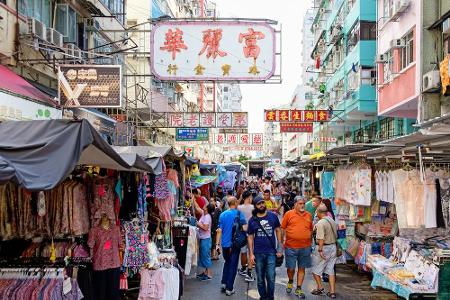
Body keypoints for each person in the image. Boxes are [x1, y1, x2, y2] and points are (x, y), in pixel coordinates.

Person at [247, 197, 283, 300]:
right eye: (259, 204)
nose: (262, 205)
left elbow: (278, 230)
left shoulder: (273, 216)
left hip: (271, 252)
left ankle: (270, 297)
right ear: (255, 206)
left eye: (262, 202)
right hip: (258, 253)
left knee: (271, 277)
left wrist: (280, 248)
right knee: (260, 279)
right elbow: (250, 236)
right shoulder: (252, 220)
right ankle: (263, 297)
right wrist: (251, 253)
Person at [280, 197, 313, 298]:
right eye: (300, 203)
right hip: (291, 246)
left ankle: (299, 288)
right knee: (291, 268)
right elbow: (282, 227)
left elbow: (311, 229)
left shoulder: (309, 215)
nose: (302, 205)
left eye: (303, 203)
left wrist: (310, 241)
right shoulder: (289, 214)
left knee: (302, 268)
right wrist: (282, 241)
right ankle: (290, 280)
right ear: (295, 204)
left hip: (305, 246)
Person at [216, 197, 247, 296]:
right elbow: (245, 228)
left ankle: (224, 283)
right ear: (236, 202)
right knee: (233, 265)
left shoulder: (223, 214)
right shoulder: (239, 214)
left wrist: (217, 244)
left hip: (225, 244)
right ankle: (229, 288)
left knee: (227, 262)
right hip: (235, 244)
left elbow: (219, 230)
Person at [311, 204, 338, 298]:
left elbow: (321, 238)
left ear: (319, 212)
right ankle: (332, 292)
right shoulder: (332, 220)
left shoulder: (320, 223)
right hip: (333, 247)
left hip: (324, 248)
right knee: (330, 270)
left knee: (315, 269)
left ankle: (320, 288)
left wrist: (320, 250)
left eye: (316, 212)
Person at [237, 191, 255, 282]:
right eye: (251, 197)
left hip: (242, 231)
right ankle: (249, 272)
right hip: (251, 232)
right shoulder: (252, 207)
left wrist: (240, 198)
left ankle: (243, 268)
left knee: (243, 251)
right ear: (249, 197)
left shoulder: (239, 207)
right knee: (251, 252)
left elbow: (234, 205)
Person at [197, 204, 215, 281]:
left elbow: (205, 227)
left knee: (206, 256)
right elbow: (197, 207)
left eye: (205, 205)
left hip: (206, 239)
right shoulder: (204, 214)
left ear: (207, 209)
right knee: (203, 256)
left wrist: (197, 223)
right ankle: (205, 272)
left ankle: (209, 274)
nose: (204, 205)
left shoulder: (207, 217)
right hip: (203, 238)